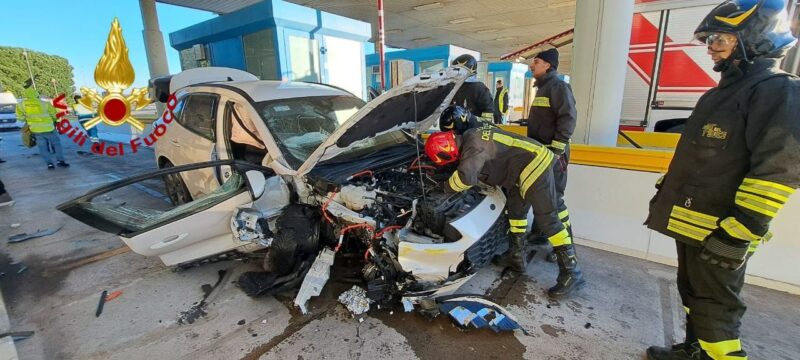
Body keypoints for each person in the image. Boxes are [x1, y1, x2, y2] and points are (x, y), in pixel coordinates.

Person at [645, 1, 800, 359]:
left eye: (721, 38)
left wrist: (740, 231)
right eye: (711, 39)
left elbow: (779, 169)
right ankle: (694, 351)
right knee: (691, 294)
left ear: (755, 38)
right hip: (693, 223)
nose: (711, 46)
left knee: (716, 309)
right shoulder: (719, 94)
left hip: (723, 229)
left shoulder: (778, 90)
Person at [428, 105, 585, 298]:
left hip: (535, 163)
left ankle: (572, 272)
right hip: (522, 167)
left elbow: (466, 177)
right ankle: (516, 256)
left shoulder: (474, 144)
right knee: (516, 211)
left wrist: (443, 187)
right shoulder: (471, 133)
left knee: (547, 218)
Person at [526, 48, 577, 259]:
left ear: (547, 65)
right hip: (542, 153)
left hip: (554, 153)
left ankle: (565, 248)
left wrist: (556, 149)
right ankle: (540, 234)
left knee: (554, 200)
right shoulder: (544, 88)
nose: (532, 65)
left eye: (536, 61)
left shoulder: (558, 86)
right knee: (541, 194)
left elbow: (568, 118)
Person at [16, 80, 68, 169]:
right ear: (37, 94)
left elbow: (20, 118)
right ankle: (60, 161)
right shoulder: (45, 103)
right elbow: (54, 116)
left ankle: (50, 164)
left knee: (43, 148)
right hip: (49, 128)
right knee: (57, 144)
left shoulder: (21, 105)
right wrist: (53, 120)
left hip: (36, 130)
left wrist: (28, 119)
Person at [450, 54, 495, 121]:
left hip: (473, 128)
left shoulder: (479, 88)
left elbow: (488, 112)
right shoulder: (455, 86)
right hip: (458, 127)